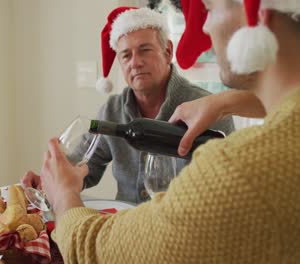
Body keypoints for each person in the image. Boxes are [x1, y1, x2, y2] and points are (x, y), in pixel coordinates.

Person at [39, 0, 300, 262]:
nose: (206, 27)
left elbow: (95, 251)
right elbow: (85, 165)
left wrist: (64, 196)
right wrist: (225, 102)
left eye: (210, 10)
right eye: (126, 55)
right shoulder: (115, 108)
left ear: (258, 12)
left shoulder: (234, 168)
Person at [23, 7, 235, 203]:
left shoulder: (209, 111)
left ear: (168, 51)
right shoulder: (111, 111)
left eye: (145, 50)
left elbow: (226, 190)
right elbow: (83, 168)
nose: (135, 62)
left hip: (185, 231)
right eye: (126, 55)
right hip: (124, 230)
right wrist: (49, 181)